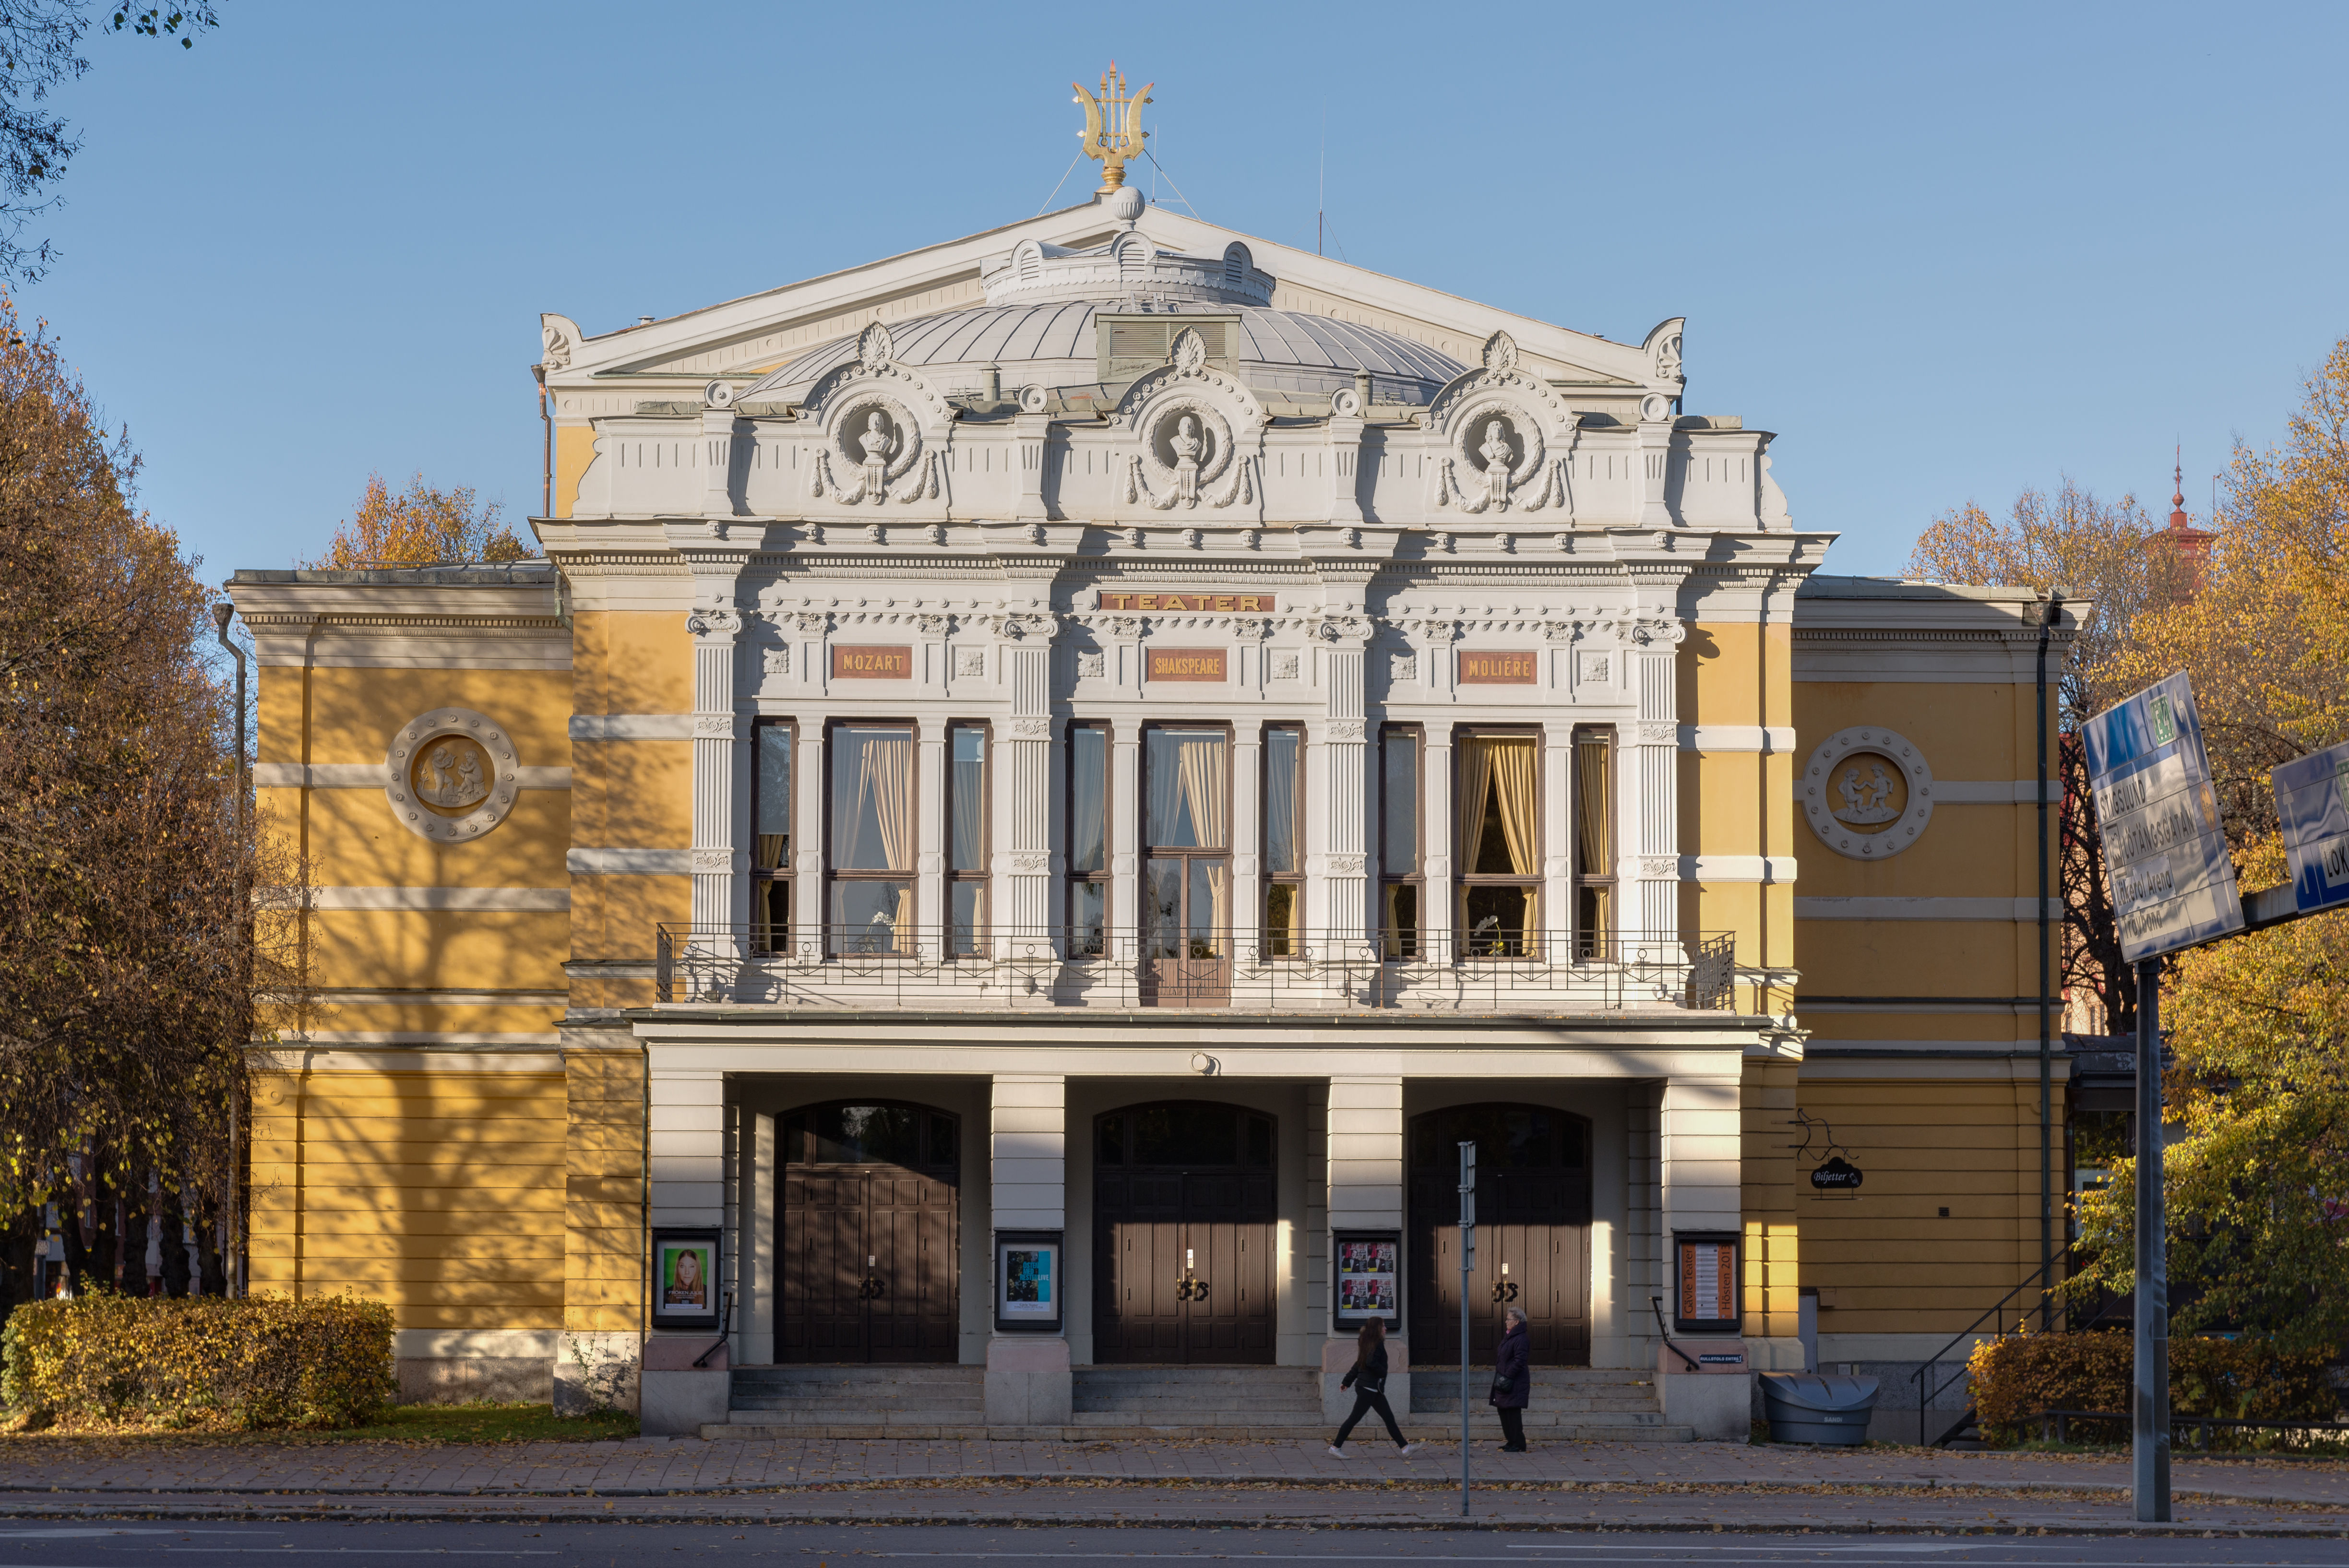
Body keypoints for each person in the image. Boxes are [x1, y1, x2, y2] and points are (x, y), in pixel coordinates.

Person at [1329, 1317, 1417, 1458]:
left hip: (1372, 1388)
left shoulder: (1367, 1343)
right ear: (1377, 1328)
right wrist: (1383, 1372)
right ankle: (1335, 1447)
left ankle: (1405, 1448)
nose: (1386, 1329)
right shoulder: (1376, 1344)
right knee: (1354, 1419)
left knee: (1389, 1418)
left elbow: (1359, 1363)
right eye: (1383, 1326)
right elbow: (1369, 1363)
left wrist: (1347, 1381)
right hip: (1368, 1388)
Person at [1491, 1305, 1530, 1450]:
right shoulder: (1510, 1336)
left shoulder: (1521, 1338)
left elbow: (1520, 1361)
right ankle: (1511, 1441)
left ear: (1517, 1322)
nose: (1506, 1322)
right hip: (1504, 1381)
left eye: (1509, 1319)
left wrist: (1507, 1375)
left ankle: (1518, 1443)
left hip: (1514, 1382)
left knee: (1513, 1412)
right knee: (1504, 1410)